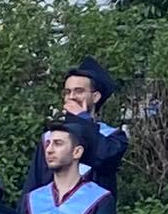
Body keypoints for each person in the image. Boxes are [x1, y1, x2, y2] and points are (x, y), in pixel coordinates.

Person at [21, 59, 129, 196]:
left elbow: (104, 158)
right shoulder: (49, 137)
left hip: (93, 208)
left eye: (79, 91)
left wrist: (82, 119)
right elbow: (34, 184)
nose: (71, 97)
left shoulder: (113, 137)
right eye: (67, 92)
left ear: (95, 97)